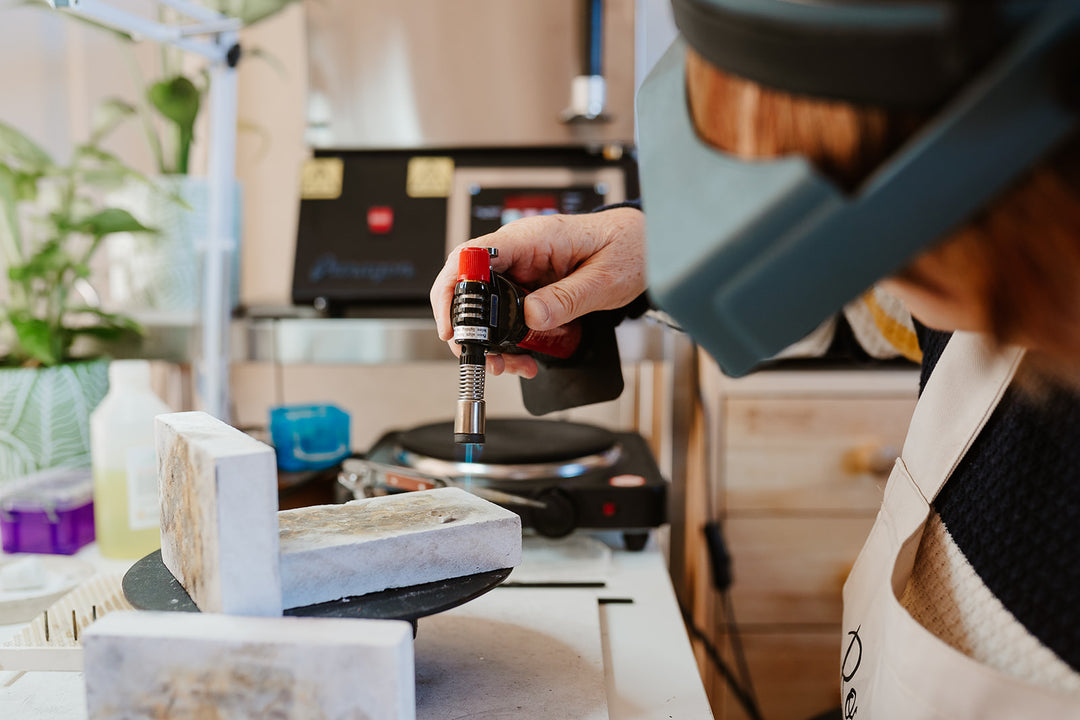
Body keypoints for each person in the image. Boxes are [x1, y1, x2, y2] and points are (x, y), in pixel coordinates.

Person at [430, 9, 1080, 719]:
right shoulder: (972, 285)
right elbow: (860, 310)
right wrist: (644, 259)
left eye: (861, 218)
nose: (860, 265)